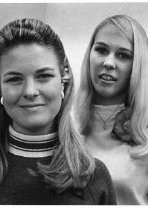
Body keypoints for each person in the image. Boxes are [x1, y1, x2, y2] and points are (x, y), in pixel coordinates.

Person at [0, 18, 116, 205]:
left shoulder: (94, 176)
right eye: (14, 79)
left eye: (44, 76)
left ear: (64, 79)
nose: (30, 91)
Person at [74, 14, 148, 205]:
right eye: (101, 50)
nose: (108, 62)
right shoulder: (65, 125)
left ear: (137, 66)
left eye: (123, 55)